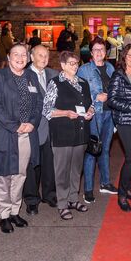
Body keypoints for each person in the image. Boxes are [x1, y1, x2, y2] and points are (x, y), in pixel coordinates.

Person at [0, 43, 43, 233]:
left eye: (23, 55)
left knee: (20, 175)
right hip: (5, 134)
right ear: (9, 57)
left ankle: (14, 211)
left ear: (28, 58)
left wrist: (32, 123)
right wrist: (16, 126)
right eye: (15, 54)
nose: (20, 58)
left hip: (27, 134)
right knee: (4, 177)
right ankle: (3, 215)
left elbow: (38, 104)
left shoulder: (31, 76)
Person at [43, 51, 94, 220]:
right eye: (71, 63)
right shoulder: (55, 83)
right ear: (63, 65)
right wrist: (65, 113)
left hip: (80, 134)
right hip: (62, 134)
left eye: (76, 63)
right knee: (62, 172)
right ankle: (62, 203)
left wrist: (90, 112)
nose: (75, 66)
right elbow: (46, 110)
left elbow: (90, 104)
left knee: (75, 170)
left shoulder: (83, 83)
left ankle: (73, 199)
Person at [77, 38, 117, 204]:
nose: (100, 52)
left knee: (105, 149)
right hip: (94, 114)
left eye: (102, 49)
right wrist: (96, 98)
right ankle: (87, 189)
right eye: (96, 49)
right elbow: (78, 92)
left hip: (109, 114)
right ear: (91, 52)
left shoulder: (110, 67)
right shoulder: (84, 70)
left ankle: (105, 183)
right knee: (92, 150)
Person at [107, 44, 131, 212]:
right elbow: (112, 100)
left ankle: (128, 189)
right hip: (125, 121)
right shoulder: (119, 75)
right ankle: (122, 194)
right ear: (124, 57)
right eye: (130, 55)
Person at [22, 45, 58, 216]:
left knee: (49, 163)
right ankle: (31, 200)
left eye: (46, 55)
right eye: (40, 55)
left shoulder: (53, 74)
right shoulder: (24, 75)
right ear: (31, 56)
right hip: (31, 127)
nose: (44, 58)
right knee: (32, 165)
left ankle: (49, 195)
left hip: (50, 127)